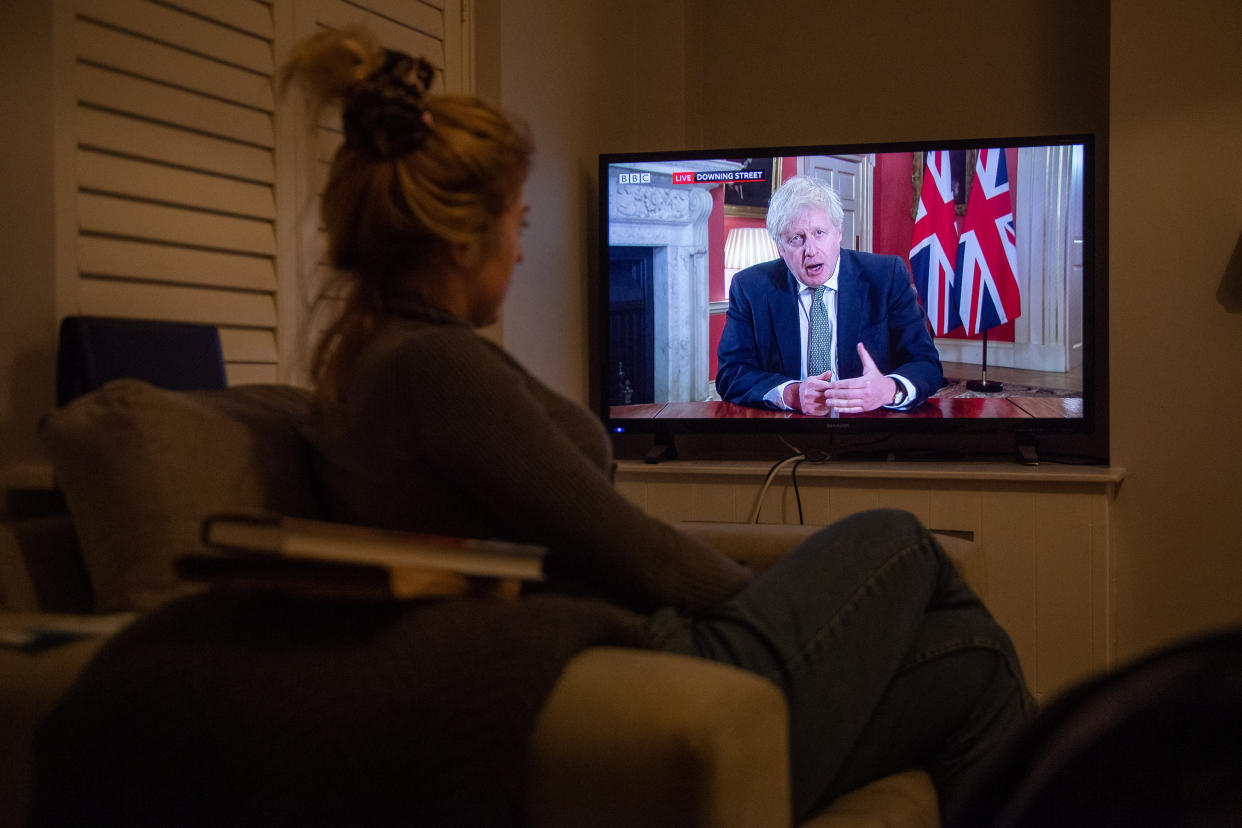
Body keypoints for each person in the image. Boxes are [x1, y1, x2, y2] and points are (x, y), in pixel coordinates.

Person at [283, 29, 1033, 823]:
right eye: (521, 225)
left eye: (819, 234)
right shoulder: (431, 367)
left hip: (641, 639)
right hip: (667, 658)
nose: (522, 252)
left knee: (976, 662)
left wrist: (887, 394)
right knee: (900, 536)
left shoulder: (380, 361)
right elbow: (628, 544)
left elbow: (924, 369)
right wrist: (794, 608)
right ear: (465, 238)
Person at [716, 176, 945, 415]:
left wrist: (889, 389)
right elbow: (731, 373)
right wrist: (792, 394)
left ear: (838, 234)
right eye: (796, 238)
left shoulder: (886, 276)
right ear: (780, 248)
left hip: (871, 428)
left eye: (819, 233)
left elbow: (927, 364)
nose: (811, 251)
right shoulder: (750, 287)